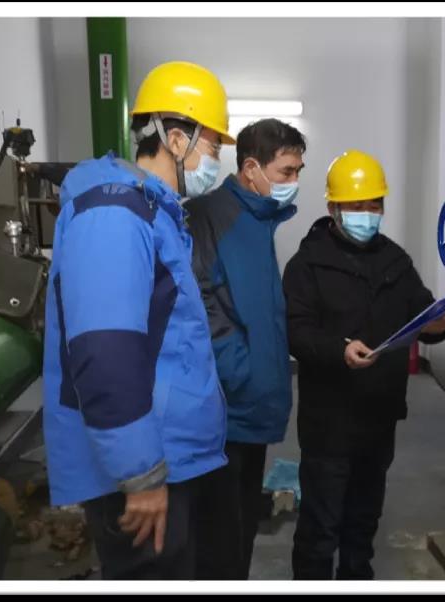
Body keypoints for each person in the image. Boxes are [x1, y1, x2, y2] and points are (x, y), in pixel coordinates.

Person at [42, 61, 241, 580]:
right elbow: (105, 352)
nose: (215, 160)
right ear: (176, 139)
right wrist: (141, 475)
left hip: (167, 457)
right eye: (212, 146)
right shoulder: (115, 216)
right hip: (141, 473)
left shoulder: (153, 211)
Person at [282, 149, 445, 580]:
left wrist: (440, 324)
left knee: (363, 523)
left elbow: (423, 312)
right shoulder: (307, 265)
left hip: (379, 418)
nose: (367, 214)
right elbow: (296, 331)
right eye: (356, 206)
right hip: (330, 422)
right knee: (321, 527)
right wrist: (339, 350)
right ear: (333, 209)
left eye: (374, 205)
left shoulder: (395, 261)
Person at [185, 118, 307, 578]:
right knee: (220, 540)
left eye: (298, 171)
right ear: (252, 168)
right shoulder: (208, 216)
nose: (294, 181)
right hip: (226, 410)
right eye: (286, 172)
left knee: (241, 532)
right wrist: (238, 370)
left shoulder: (258, 218)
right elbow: (199, 305)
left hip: (252, 406)